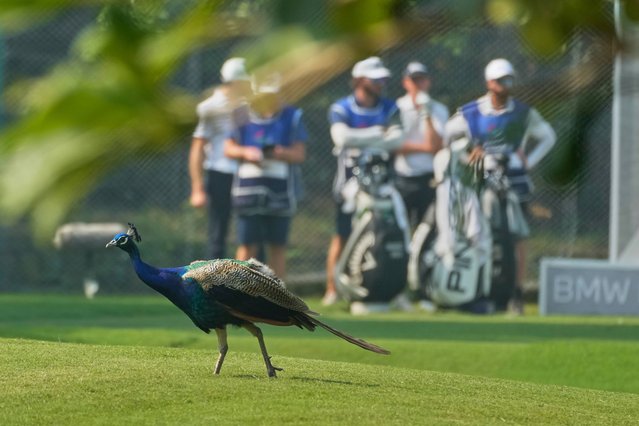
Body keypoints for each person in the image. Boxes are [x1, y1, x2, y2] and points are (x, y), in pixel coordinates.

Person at [445, 58, 556, 314]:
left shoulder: (522, 112)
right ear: (489, 83)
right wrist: (466, 153)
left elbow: (548, 136)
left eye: (508, 80)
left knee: (518, 237)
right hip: (480, 179)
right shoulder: (472, 112)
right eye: (499, 80)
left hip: (515, 179)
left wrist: (530, 162)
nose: (504, 85)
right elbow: (447, 136)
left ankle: (515, 295)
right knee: (481, 234)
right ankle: (480, 290)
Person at [323, 56, 403, 306]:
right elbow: (341, 139)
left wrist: (358, 138)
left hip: (383, 183)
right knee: (343, 235)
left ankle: (396, 292)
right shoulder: (341, 107)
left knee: (391, 232)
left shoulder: (390, 107)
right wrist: (377, 134)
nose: (382, 83)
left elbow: (398, 140)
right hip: (348, 184)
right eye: (375, 78)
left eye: (383, 79)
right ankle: (332, 289)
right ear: (359, 80)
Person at [224, 73, 307, 278]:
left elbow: (300, 154)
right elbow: (228, 148)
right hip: (248, 190)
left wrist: (280, 153)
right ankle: (240, 291)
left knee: (277, 245)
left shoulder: (291, 115)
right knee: (247, 243)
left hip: (280, 191)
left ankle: (278, 294)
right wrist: (247, 153)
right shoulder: (240, 114)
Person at [189, 57, 251, 259]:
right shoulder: (210, 106)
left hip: (248, 172)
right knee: (218, 232)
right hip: (220, 174)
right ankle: (213, 286)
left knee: (251, 233)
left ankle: (255, 285)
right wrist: (197, 188)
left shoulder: (249, 105)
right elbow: (198, 147)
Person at [395, 61, 449, 230]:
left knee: (426, 231)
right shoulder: (397, 108)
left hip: (430, 179)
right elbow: (395, 145)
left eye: (422, 80)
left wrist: (426, 112)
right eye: (414, 80)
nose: (419, 84)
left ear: (428, 81)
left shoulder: (439, 110)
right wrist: (425, 148)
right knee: (400, 229)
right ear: (405, 83)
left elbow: (436, 146)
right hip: (402, 179)